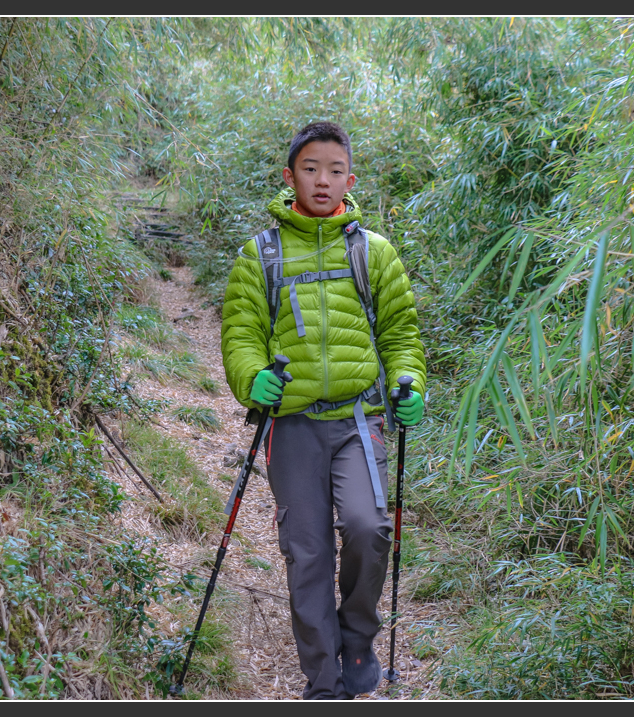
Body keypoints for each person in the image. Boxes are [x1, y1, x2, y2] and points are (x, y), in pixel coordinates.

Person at [220, 121, 426, 699]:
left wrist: (409, 381)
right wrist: (251, 378)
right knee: (305, 550)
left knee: (368, 527)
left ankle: (357, 638)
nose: (323, 180)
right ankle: (323, 677)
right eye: (311, 168)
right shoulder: (259, 254)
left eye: (335, 171)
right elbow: (241, 334)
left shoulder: (373, 252)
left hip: (361, 419)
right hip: (293, 427)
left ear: (349, 180)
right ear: (290, 177)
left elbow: (401, 333)